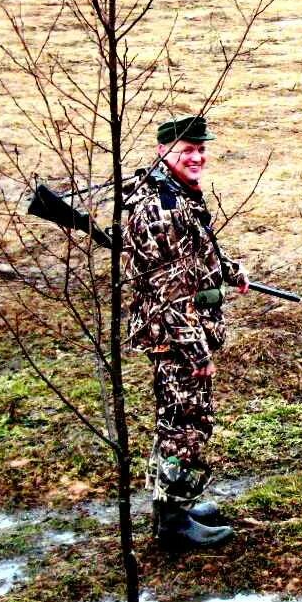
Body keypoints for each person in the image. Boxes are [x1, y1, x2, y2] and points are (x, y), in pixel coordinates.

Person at [124, 114, 249, 548]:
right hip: (175, 336)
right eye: (186, 150)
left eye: (199, 149)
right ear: (164, 151)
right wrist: (197, 354)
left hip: (178, 329)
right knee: (184, 423)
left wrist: (227, 272)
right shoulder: (163, 208)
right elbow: (170, 292)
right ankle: (173, 525)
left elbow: (192, 254)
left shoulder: (177, 193)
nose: (195, 157)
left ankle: (175, 505)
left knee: (179, 421)